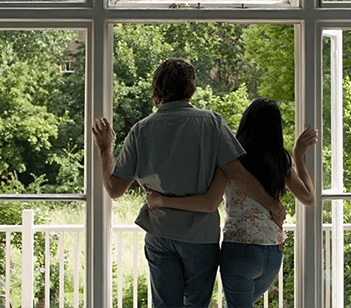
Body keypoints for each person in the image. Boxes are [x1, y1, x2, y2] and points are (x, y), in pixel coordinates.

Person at [91, 58, 286, 308]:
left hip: (160, 231)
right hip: (200, 237)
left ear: (157, 86)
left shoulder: (141, 130)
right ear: (191, 87)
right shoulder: (211, 123)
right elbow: (237, 174)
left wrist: (105, 148)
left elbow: (114, 189)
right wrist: (273, 204)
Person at [145, 98, 318, 308]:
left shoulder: (231, 162)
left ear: (245, 123)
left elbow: (209, 202)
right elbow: (309, 197)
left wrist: (162, 200)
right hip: (272, 254)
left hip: (240, 251)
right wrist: (298, 154)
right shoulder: (282, 160)